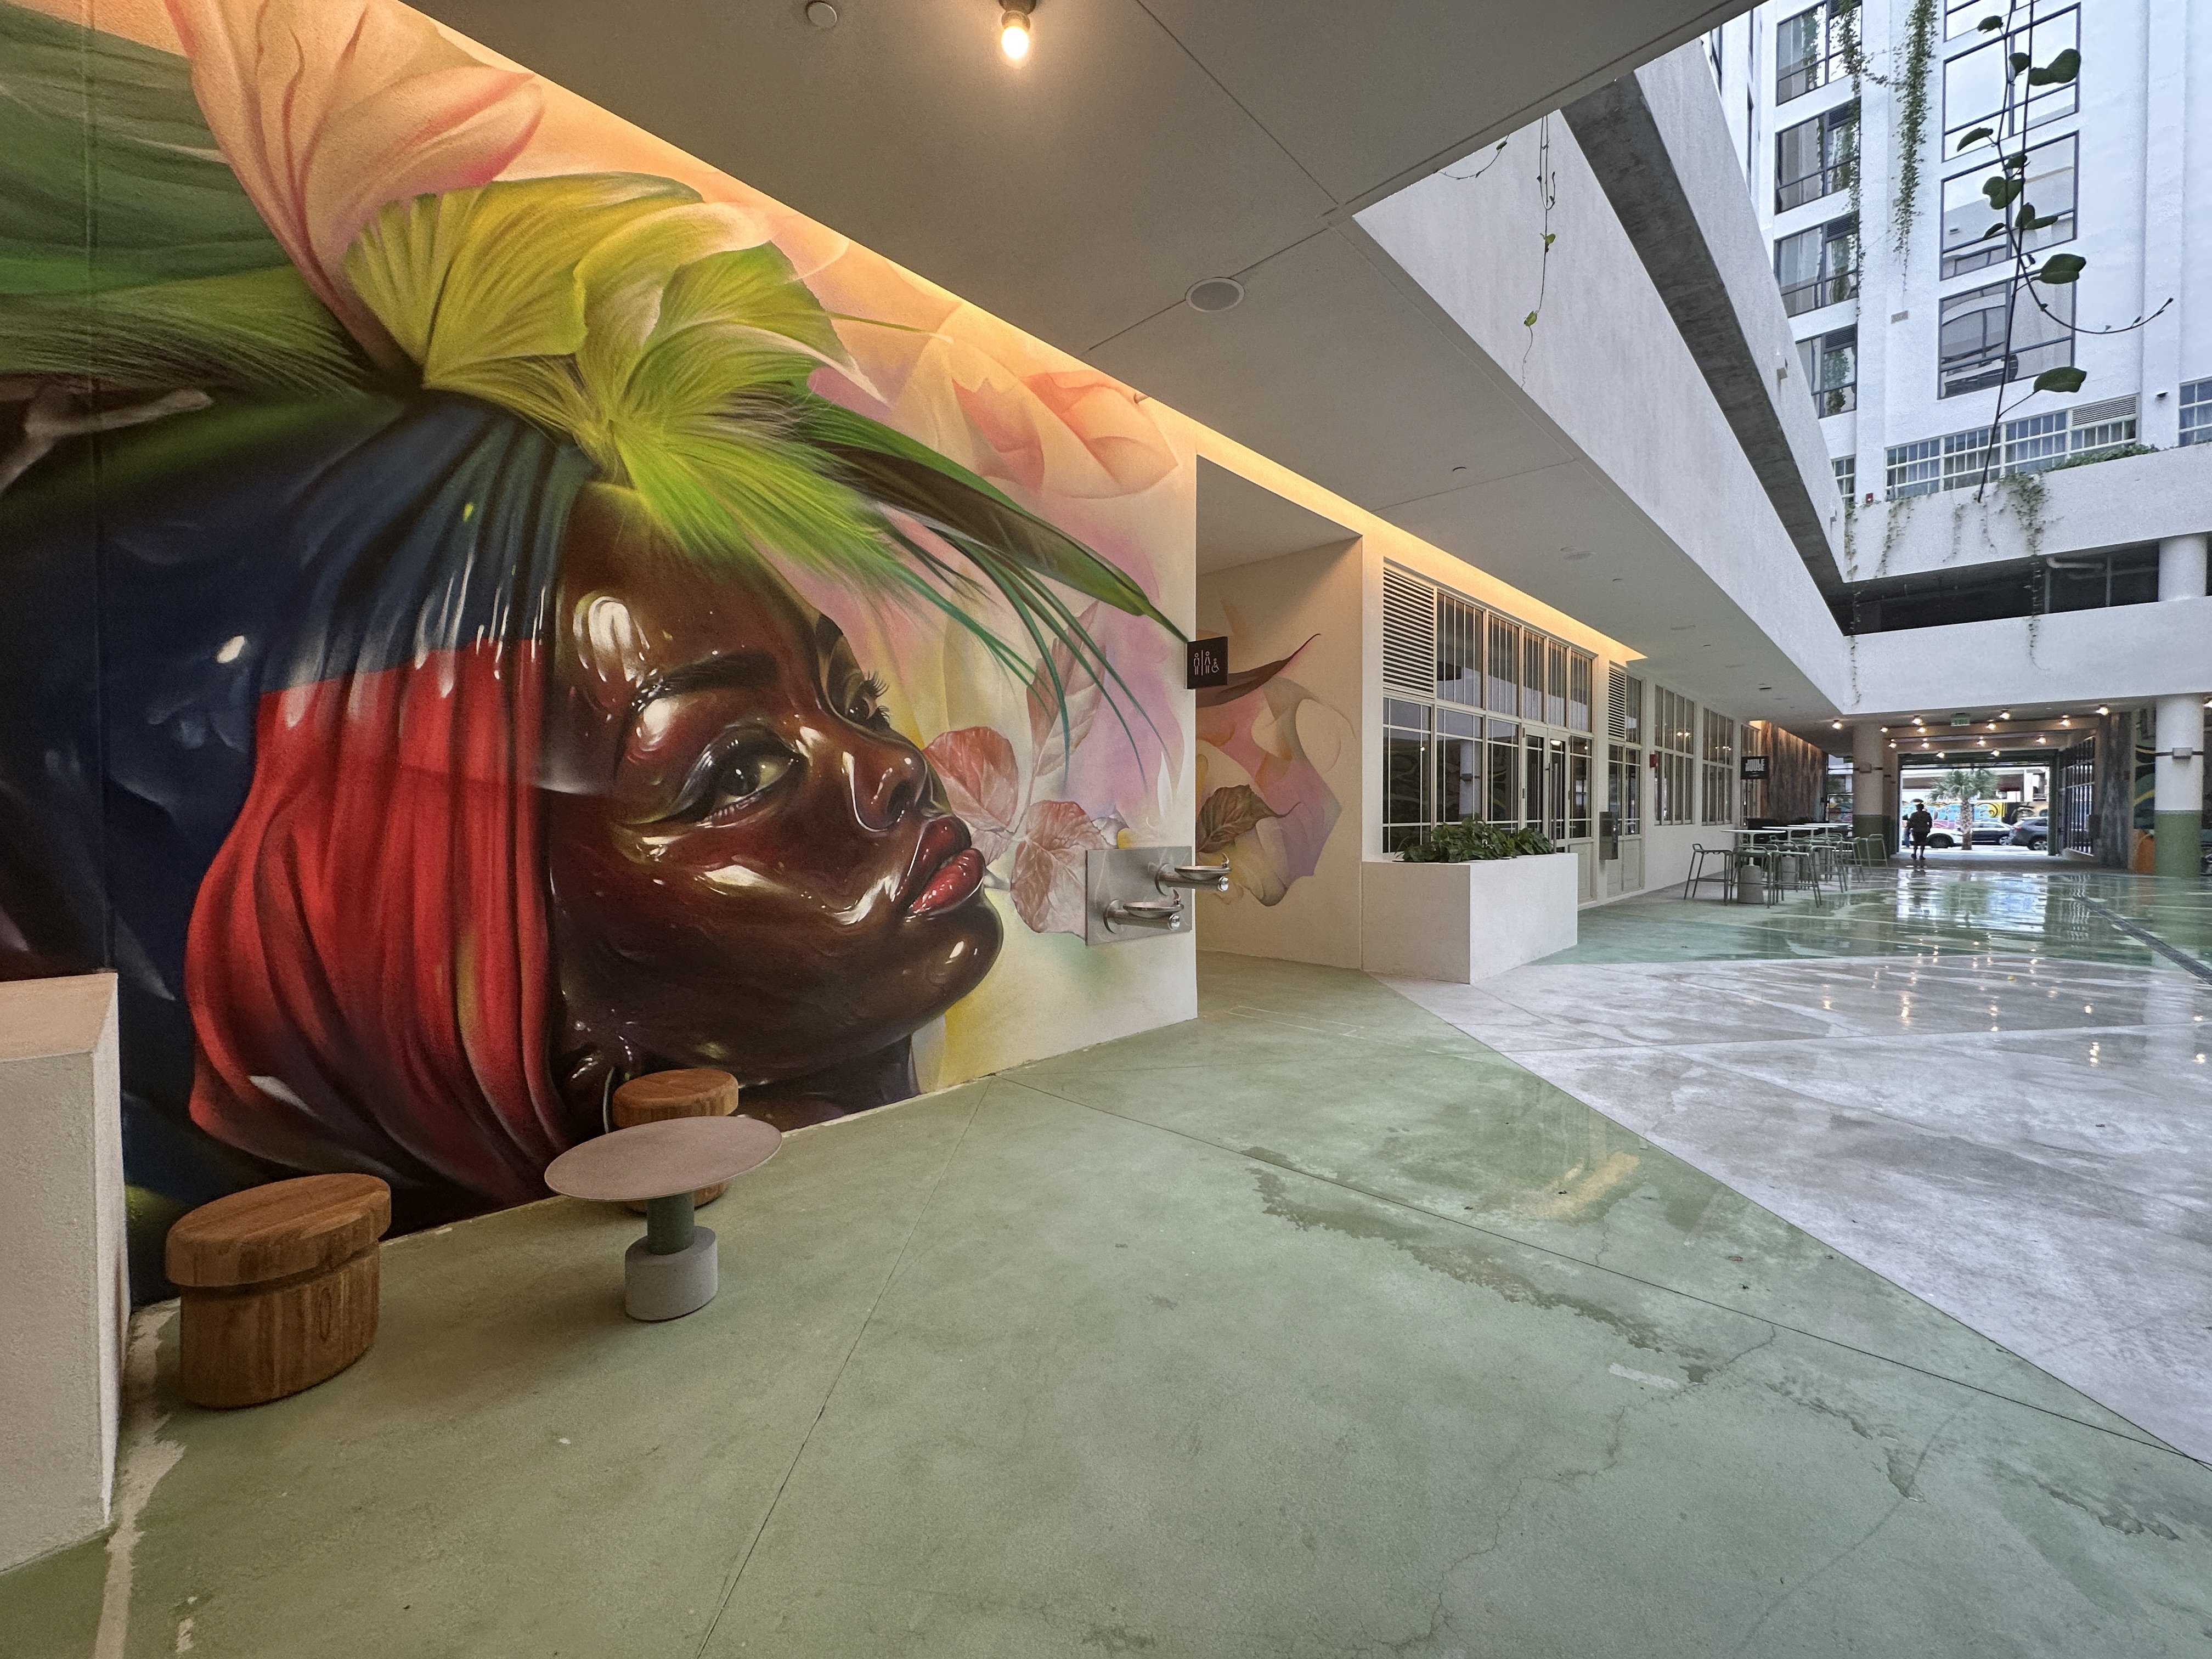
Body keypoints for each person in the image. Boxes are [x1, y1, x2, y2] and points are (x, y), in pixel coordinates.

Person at [1906, 800, 1934, 865]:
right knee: (1923, 843)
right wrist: (1929, 828)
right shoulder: (1927, 815)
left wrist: (1908, 829)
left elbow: (1910, 822)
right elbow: (1930, 822)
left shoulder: (1914, 815)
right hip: (1924, 830)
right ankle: (1921, 855)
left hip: (1916, 830)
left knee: (1916, 843)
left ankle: (1915, 854)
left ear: (1917, 808)